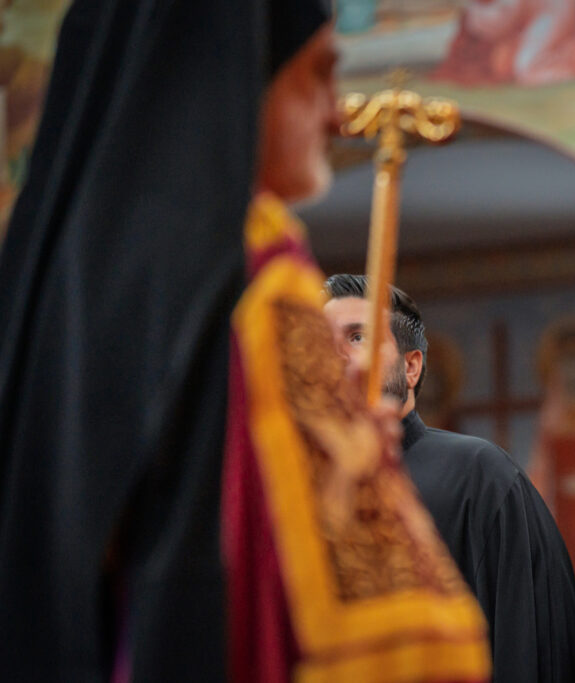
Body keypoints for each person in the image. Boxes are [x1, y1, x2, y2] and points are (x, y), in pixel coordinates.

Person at [0, 2, 489, 680]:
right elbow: (411, 642)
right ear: (231, 80)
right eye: (317, 75)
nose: (336, 113)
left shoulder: (51, 279)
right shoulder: (256, 270)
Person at [323, 273, 575, 683]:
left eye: (358, 338)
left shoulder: (481, 478)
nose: (335, 357)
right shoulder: (291, 493)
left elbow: (531, 650)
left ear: (411, 368)